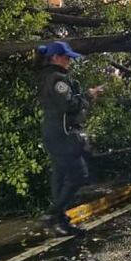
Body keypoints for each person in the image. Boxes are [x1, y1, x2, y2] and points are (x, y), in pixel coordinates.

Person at [37, 40, 105, 236]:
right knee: (79, 175)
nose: (69, 61)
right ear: (55, 58)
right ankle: (53, 215)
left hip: (53, 132)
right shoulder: (58, 79)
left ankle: (59, 221)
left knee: (59, 175)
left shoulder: (47, 77)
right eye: (66, 57)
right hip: (63, 134)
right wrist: (89, 95)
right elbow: (69, 106)